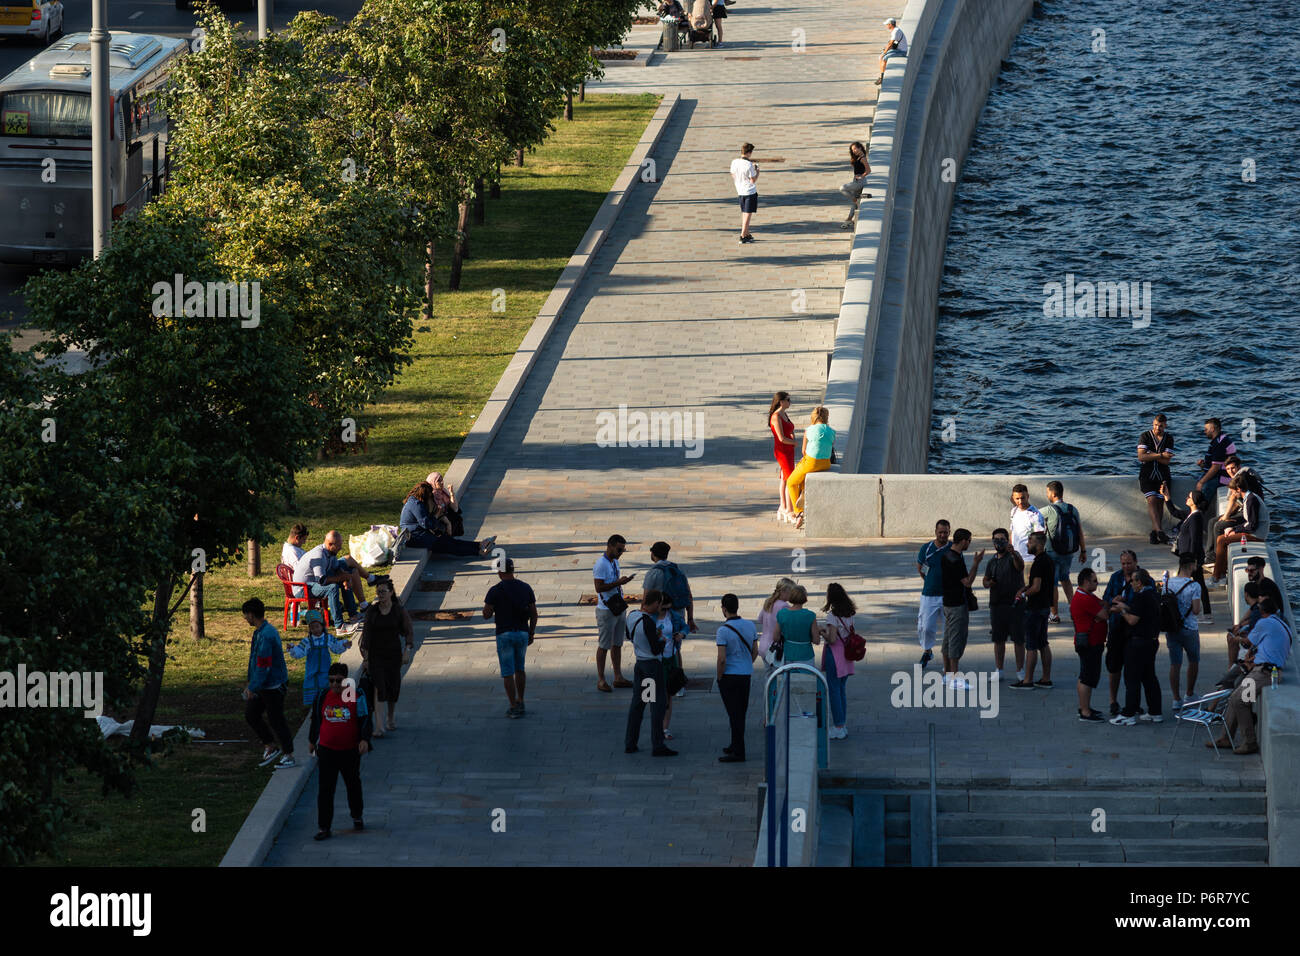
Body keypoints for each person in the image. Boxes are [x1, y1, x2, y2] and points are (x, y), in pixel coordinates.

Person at [1212, 597, 1291, 754]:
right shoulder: (1282, 624)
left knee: (1239, 700)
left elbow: (1248, 642)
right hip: (1266, 671)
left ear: (1262, 612)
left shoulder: (1264, 623)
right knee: (1237, 696)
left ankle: (1249, 742)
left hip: (1265, 673)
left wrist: (1236, 639)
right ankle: (1226, 738)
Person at [308, 662, 371, 841]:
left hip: (349, 751)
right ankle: (324, 827)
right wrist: (312, 741)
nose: (335, 684)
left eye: (339, 681)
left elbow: (364, 717)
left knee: (353, 785)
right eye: (331, 681)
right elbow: (316, 720)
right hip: (327, 751)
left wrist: (364, 739)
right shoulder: (323, 696)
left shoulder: (352, 694)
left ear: (346, 680)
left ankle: (357, 815)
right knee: (325, 790)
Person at [242, 598, 296, 770]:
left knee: (276, 719)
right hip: (264, 684)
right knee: (252, 714)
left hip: (273, 685)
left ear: (251, 614)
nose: (245, 619)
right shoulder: (260, 632)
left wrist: (253, 687)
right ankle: (270, 745)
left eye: (245, 615)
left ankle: (289, 755)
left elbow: (264, 665)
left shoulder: (266, 635)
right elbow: (255, 661)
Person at [359, 578, 414, 737]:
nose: (380, 595)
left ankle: (390, 717)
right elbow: (366, 635)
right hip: (376, 655)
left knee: (393, 687)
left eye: (383, 591)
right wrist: (366, 659)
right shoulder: (372, 611)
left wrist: (407, 649)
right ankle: (379, 726)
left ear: (391, 592)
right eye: (378, 592)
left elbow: (408, 631)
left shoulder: (398, 610)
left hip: (393, 654)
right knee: (379, 687)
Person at [483, 558, 538, 718]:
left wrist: (490, 608)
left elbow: (486, 614)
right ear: (512, 570)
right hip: (522, 633)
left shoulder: (495, 590)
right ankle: (521, 700)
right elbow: (534, 614)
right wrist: (531, 633)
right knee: (520, 669)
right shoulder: (525, 587)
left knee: (508, 672)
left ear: (500, 572)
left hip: (504, 634)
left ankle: (513, 706)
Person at [1109, 570, 1163, 725]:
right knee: (1149, 677)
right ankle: (1155, 711)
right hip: (1151, 641)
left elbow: (1132, 620)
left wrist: (1122, 611)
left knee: (1132, 678)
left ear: (1139, 582)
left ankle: (1128, 714)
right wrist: (1125, 605)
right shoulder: (1153, 594)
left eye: (1133, 581)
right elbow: (1141, 612)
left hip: (1138, 642)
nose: (1131, 584)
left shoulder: (1140, 596)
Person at [294, 530, 374, 634]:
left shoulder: (331, 552)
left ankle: (353, 615)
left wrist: (345, 578)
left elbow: (337, 568)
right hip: (304, 588)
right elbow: (321, 580)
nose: (341, 547)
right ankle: (340, 627)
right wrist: (341, 578)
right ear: (330, 544)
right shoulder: (318, 555)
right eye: (339, 545)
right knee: (332, 588)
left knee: (344, 576)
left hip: (315, 584)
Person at [625, 590, 674, 756]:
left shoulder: (632, 616)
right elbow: (655, 649)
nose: (660, 607)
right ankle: (658, 745)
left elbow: (629, 636)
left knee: (638, 704)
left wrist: (653, 637)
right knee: (657, 705)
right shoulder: (648, 622)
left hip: (640, 664)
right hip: (652, 667)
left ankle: (630, 742)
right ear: (654, 604)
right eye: (659, 604)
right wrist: (662, 641)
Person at [400, 482, 495, 558]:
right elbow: (428, 524)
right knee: (449, 545)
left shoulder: (413, 501)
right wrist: (437, 515)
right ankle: (478, 551)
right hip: (416, 537)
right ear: (425, 495)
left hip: (420, 535)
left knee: (450, 541)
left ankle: (480, 545)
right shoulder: (416, 504)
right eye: (429, 495)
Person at [716, 593, 758, 762]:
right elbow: (755, 651)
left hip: (729, 676)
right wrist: (747, 663)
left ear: (724, 609)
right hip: (745, 674)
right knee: (740, 712)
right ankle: (735, 745)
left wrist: (719, 677)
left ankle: (739, 752)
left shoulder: (723, 631)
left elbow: (722, 658)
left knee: (734, 714)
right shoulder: (750, 625)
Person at [940, 529, 984, 689]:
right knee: (956, 640)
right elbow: (968, 582)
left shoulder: (947, 555)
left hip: (947, 603)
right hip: (956, 605)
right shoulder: (955, 559)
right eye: (969, 541)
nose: (969, 544)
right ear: (963, 540)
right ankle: (955, 678)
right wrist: (976, 564)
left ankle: (947, 674)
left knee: (948, 639)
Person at [1209, 472, 1270, 585]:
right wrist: (1234, 529)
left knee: (1221, 540)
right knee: (1224, 539)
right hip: (1254, 531)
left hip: (1257, 534)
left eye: (1232, 491)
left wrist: (1234, 530)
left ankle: (1216, 576)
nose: (1231, 494)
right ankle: (1221, 572)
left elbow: (1252, 525)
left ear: (1238, 489)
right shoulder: (1248, 497)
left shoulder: (1251, 500)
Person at [1011, 531, 1054, 689]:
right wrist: (1024, 588)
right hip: (1044, 607)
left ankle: (1028, 680)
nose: (1027, 544)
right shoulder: (1047, 560)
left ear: (1040, 544)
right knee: (1043, 643)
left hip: (1035, 608)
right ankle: (1046, 678)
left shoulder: (1038, 563)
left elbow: (1036, 588)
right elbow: (1040, 584)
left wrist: (1022, 594)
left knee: (1031, 645)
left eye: (1030, 541)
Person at [983, 527, 1026, 682]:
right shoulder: (992, 561)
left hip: (1014, 605)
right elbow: (985, 580)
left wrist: (1014, 552)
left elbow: (1020, 566)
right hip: (997, 604)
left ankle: (1020, 670)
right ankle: (999, 669)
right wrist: (989, 583)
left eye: (1002, 539)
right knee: (998, 639)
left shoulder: (1013, 557)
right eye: (996, 540)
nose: (999, 542)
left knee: (1018, 639)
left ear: (1007, 541)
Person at [594, 534, 634, 692]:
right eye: (619, 549)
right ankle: (601, 679)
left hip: (617, 606)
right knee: (604, 645)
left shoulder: (615, 561)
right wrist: (619, 582)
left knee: (617, 643)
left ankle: (618, 676)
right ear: (610, 546)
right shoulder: (601, 564)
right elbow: (598, 587)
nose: (621, 553)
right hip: (606, 610)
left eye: (623, 550)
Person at [287, 608, 352, 707]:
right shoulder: (307, 641)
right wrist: (292, 649)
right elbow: (299, 652)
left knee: (325, 690)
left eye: (317, 627)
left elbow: (336, 647)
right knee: (311, 691)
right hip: (311, 672)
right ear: (310, 629)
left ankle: (325, 704)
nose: (315, 630)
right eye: (312, 628)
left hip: (325, 671)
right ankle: (312, 708)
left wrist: (344, 644)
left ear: (322, 626)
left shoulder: (328, 638)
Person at [1069, 568, 1110, 721]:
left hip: (1091, 641)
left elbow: (1102, 606)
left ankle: (1085, 707)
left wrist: (1103, 608)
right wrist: (1104, 609)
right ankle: (1085, 711)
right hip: (1090, 643)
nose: (1097, 583)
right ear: (1085, 582)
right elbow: (1105, 614)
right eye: (1094, 580)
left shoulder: (1085, 595)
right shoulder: (1085, 598)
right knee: (1087, 677)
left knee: (1086, 675)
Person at [1042, 481, 1085, 624]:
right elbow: (1079, 532)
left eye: (1047, 492)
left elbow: (1032, 517)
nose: (1047, 494)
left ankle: (1054, 615)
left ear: (1053, 494)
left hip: (1052, 552)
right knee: (1065, 578)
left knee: (1052, 583)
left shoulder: (1048, 510)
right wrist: (1083, 550)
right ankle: (1073, 610)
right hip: (1068, 551)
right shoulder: (1073, 509)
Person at [1101, 550, 1139, 715]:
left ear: (1135, 562)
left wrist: (1125, 605)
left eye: (1129, 563)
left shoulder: (1142, 578)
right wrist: (1113, 601)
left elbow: (1145, 601)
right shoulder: (1115, 577)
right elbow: (1105, 598)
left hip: (1134, 629)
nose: (1126, 567)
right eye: (1123, 563)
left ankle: (1133, 702)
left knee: (1134, 668)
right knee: (1114, 666)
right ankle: (1113, 700)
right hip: (1116, 627)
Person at [786, 406, 835, 529]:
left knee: (791, 482)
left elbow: (803, 451)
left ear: (813, 417)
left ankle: (798, 512)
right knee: (802, 476)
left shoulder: (809, 430)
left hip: (812, 462)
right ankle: (803, 491)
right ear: (826, 417)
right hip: (826, 463)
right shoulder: (831, 431)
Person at [1165, 553, 1202, 710]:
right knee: (1193, 661)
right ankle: (1189, 693)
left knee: (1175, 664)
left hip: (1171, 628)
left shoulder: (1167, 584)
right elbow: (1196, 610)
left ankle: (1176, 699)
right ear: (1192, 565)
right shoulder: (1194, 586)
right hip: (1189, 629)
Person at [820, 584, 858, 739]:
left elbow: (832, 638)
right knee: (841, 690)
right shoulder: (850, 613)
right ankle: (842, 723)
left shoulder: (832, 616)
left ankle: (838, 726)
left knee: (834, 691)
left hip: (835, 656)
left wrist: (823, 632)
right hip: (847, 656)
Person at [643, 541, 697, 640]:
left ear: (652, 554)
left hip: (659, 619)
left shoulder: (652, 573)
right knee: (675, 649)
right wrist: (690, 619)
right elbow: (689, 596)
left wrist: (642, 619)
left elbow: (645, 599)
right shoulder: (677, 571)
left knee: (658, 649)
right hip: (678, 617)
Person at [916, 520, 951, 669]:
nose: (943, 535)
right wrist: (930, 580)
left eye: (946, 532)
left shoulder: (953, 548)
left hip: (948, 595)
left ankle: (947, 661)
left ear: (949, 532)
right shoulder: (927, 548)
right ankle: (927, 651)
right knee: (926, 627)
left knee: (948, 628)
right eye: (940, 532)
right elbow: (920, 568)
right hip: (929, 594)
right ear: (935, 531)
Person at [1137, 413, 1176, 545]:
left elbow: (1166, 462)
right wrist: (1160, 455)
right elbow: (1141, 457)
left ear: (1165, 425)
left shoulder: (1169, 438)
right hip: (1147, 475)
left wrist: (1150, 454)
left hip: (1163, 475)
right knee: (1152, 499)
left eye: (1160, 426)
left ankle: (1154, 533)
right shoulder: (1145, 436)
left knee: (1160, 503)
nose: (1157, 428)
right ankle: (1159, 531)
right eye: (1155, 425)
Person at [1175, 488, 1211, 617]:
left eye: (1189, 497)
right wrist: (1167, 498)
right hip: (1187, 556)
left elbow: (1195, 540)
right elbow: (1174, 512)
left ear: (1194, 501)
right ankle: (1205, 611)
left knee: (1197, 584)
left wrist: (1191, 560)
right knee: (1197, 583)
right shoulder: (1191, 514)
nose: (1187, 498)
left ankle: (1205, 612)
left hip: (1190, 558)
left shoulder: (1196, 517)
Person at [768, 392, 797, 522]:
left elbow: (789, 431)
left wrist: (792, 438)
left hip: (789, 450)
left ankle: (783, 507)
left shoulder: (784, 414)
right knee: (790, 479)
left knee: (785, 478)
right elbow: (781, 438)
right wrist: (794, 442)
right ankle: (789, 510)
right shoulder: (776, 416)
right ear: (781, 402)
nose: (790, 402)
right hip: (782, 452)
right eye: (788, 400)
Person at [774, 585, 819, 664]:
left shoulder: (782, 614)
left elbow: (775, 637)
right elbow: (816, 640)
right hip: (806, 655)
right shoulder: (810, 615)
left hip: (787, 654)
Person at [757, 577, 795, 662]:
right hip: (775, 648)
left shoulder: (769, 602)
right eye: (791, 592)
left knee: (768, 674)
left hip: (763, 645)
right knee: (778, 674)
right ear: (784, 591)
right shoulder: (784, 606)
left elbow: (760, 619)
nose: (793, 595)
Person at [1008, 484, 1045, 567]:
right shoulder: (1014, 511)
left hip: (1029, 560)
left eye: (1022, 498)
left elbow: (1040, 539)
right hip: (1015, 557)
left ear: (1028, 496)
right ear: (1013, 498)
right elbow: (1012, 531)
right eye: (1017, 499)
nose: (1020, 501)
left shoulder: (1036, 515)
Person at [1196, 418, 1237, 492]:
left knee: (1201, 493)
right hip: (1217, 475)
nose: (1204, 431)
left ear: (1212, 429)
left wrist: (1201, 482)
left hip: (1221, 478)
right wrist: (1203, 465)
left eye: (1206, 429)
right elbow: (1218, 463)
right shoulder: (1219, 440)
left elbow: (1216, 467)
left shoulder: (1220, 443)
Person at [1227, 582, 1262, 665]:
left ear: (1246, 594)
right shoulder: (1257, 607)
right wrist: (1240, 626)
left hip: (1257, 646)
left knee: (1232, 638)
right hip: (1259, 639)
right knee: (1233, 635)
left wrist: (1240, 637)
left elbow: (1253, 639)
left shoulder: (1256, 612)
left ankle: (1231, 667)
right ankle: (1233, 665)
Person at [730, 143, 759, 244]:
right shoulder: (749, 165)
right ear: (749, 153)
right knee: (747, 214)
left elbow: (733, 174)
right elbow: (753, 180)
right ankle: (743, 235)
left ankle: (747, 233)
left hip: (740, 191)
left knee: (744, 213)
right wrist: (757, 170)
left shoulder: (734, 162)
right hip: (750, 192)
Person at [839, 142, 871, 229]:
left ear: (860, 147)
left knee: (842, 188)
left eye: (855, 149)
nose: (854, 151)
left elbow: (868, 170)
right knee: (854, 203)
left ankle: (856, 201)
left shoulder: (863, 158)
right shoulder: (858, 157)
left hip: (860, 182)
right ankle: (849, 220)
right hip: (856, 180)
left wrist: (861, 176)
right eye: (852, 150)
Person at [426, 471, 464, 537]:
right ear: (432, 482)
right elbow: (435, 513)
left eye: (442, 480)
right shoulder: (430, 496)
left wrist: (451, 493)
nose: (442, 482)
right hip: (438, 519)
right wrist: (448, 523)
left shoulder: (443, 492)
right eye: (438, 481)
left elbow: (455, 509)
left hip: (445, 515)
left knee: (457, 514)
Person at [875, 17, 907, 85]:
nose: (886, 26)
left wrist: (884, 52)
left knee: (884, 58)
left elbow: (890, 44)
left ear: (890, 24)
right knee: (880, 57)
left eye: (887, 24)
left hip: (901, 52)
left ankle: (882, 77)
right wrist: (885, 50)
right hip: (898, 50)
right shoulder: (895, 30)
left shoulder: (895, 31)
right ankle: (882, 75)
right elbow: (891, 44)